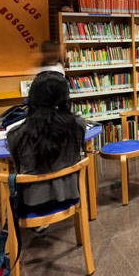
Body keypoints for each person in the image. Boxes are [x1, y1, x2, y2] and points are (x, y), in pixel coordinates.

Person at [6, 72, 86, 221]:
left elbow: (19, 168)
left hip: (32, 203)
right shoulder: (78, 125)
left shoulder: (15, 135)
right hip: (70, 194)